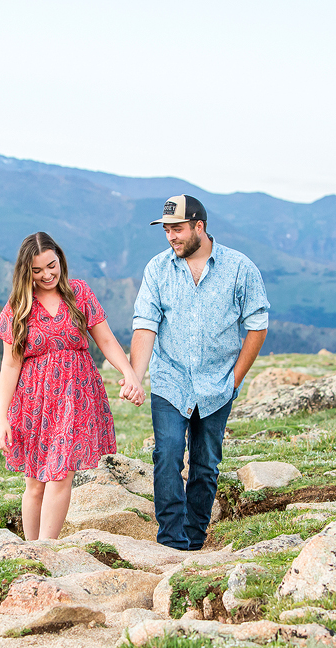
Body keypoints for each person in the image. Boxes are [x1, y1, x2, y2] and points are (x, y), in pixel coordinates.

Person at [124, 195, 269, 550]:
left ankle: (195, 538)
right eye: (167, 230)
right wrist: (136, 377)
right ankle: (171, 541)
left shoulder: (240, 268)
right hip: (170, 380)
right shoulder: (157, 269)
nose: (171, 236)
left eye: (177, 229)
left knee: (205, 465)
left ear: (199, 227)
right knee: (168, 455)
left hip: (218, 383)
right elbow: (146, 326)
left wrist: (234, 380)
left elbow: (258, 325)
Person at [0, 232, 146, 541]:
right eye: (37, 271)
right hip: (34, 401)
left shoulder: (79, 293)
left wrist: (130, 373)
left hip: (75, 395)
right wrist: (1, 417)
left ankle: (46, 549)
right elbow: (10, 364)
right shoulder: (18, 306)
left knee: (61, 474)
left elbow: (104, 339)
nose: (47, 275)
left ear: (60, 260)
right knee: (35, 482)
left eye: (52, 266)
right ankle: (30, 550)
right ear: (26, 272)